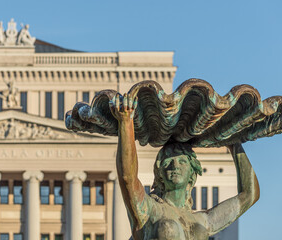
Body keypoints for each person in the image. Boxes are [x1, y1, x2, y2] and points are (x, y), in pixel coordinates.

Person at [109, 93, 260, 240]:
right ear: (159, 174)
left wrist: (232, 141)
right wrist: (126, 122)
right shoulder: (149, 210)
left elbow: (250, 195)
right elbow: (128, 177)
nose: (175, 166)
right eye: (167, 163)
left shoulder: (202, 220)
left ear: (192, 173)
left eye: (182, 162)